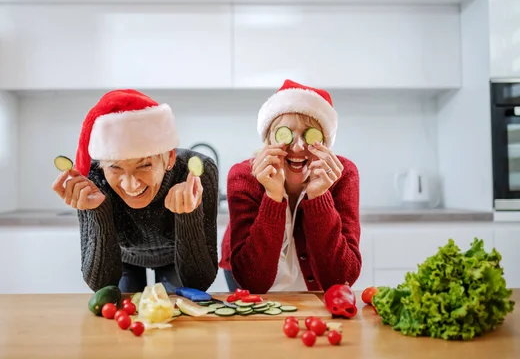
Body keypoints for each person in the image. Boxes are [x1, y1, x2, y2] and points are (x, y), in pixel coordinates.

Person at [52, 89, 219, 293]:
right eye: (115, 167)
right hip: (120, 257)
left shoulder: (197, 173)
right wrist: (98, 211)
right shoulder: (92, 177)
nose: (130, 185)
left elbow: (199, 283)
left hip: (177, 256)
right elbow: (102, 287)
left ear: (170, 158)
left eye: (145, 166)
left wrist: (188, 215)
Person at [219, 79, 361, 293]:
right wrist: (272, 195)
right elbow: (253, 282)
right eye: (285, 133)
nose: (298, 146)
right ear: (268, 139)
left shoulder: (343, 174)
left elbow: (341, 280)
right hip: (249, 275)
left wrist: (318, 196)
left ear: (325, 144)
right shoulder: (243, 177)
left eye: (310, 134)